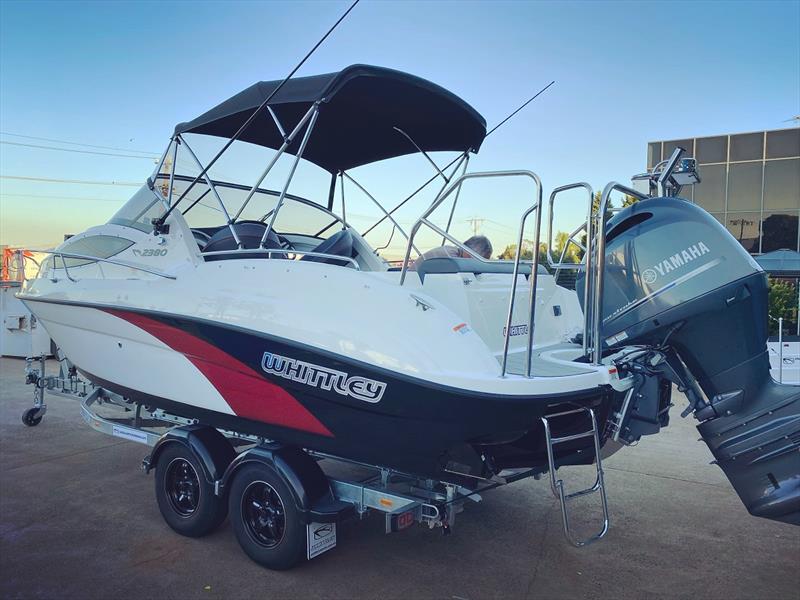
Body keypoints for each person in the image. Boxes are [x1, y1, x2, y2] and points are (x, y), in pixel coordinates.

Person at [412, 235, 493, 267]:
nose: (478, 265)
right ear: (469, 251)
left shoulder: (454, 252)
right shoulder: (450, 256)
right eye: (479, 260)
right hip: (412, 283)